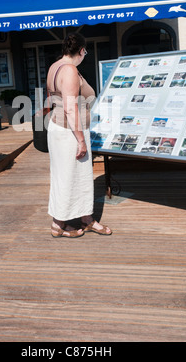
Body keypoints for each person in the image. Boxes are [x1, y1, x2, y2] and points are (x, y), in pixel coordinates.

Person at [46, 32, 112, 238]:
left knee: (70, 176)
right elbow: (70, 108)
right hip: (70, 133)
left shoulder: (54, 67)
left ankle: (85, 218)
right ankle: (59, 224)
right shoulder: (70, 70)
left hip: (58, 129)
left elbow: (51, 100)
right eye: (86, 51)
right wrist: (81, 140)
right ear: (82, 50)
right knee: (69, 176)